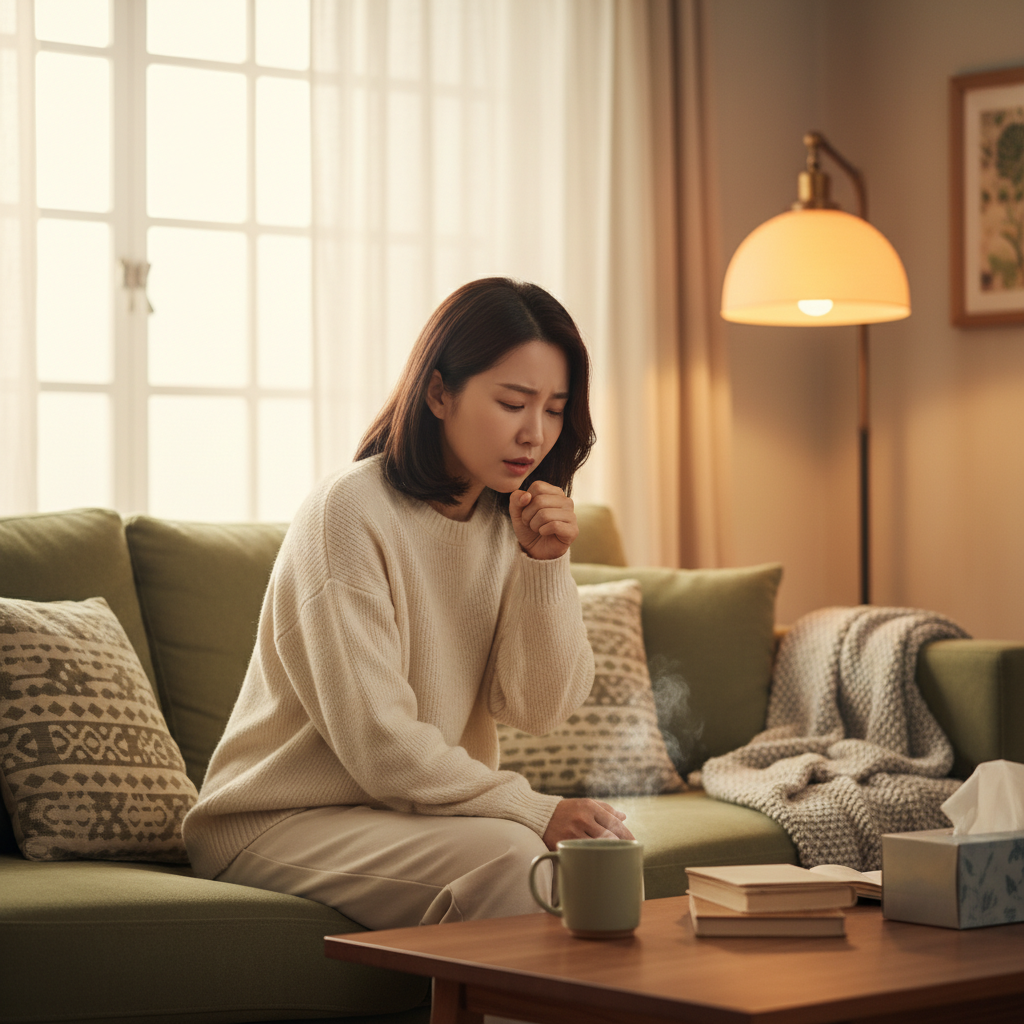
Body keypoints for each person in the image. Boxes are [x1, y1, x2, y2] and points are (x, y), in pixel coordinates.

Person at [182, 277, 634, 930]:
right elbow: (380, 742)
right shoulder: (349, 511)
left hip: (409, 814)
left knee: (580, 859)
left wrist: (546, 564)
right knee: (511, 859)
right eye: (513, 402)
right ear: (439, 392)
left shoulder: (509, 521)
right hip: (274, 823)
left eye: (556, 409)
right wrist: (535, 811)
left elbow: (541, 708)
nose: (535, 433)